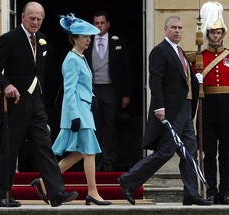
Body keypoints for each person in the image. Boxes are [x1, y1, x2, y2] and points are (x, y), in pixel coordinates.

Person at [0, 1, 78, 208]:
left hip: (37, 103)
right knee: (10, 149)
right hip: (16, 101)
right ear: (22, 17)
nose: (35, 22)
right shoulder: (9, 39)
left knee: (45, 147)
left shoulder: (43, 40)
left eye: (39, 19)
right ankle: (4, 195)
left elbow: (40, 73)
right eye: (32, 18)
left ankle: (56, 193)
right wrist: (6, 85)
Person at [118, 16, 211, 206]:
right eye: (174, 27)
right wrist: (159, 106)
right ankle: (129, 180)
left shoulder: (180, 52)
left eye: (180, 28)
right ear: (165, 29)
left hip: (186, 109)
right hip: (172, 110)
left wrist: (195, 78)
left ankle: (191, 193)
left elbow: (183, 80)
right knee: (166, 151)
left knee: (190, 153)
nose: (177, 31)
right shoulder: (160, 51)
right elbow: (156, 80)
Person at [31, 14, 112, 206]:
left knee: (80, 153)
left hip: (84, 110)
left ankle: (43, 183)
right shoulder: (71, 59)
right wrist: (75, 116)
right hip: (79, 113)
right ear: (75, 37)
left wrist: (92, 98)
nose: (88, 39)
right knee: (89, 151)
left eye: (89, 37)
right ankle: (92, 192)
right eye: (85, 36)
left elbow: (84, 86)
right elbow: (69, 89)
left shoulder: (80, 57)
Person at [192, 1, 229, 205]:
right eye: (212, 33)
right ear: (207, 35)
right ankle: (211, 192)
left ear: (223, 34)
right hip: (207, 109)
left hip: (227, 110)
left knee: (226, 154)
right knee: (208, 155)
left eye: (218, 33)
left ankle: (225, 193)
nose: (215, 36)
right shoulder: (198, 58)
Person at [84, 11, 133, 172]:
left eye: (102, 23)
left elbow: (127, 70)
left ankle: (109, 165)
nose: (99, 26)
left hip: (112, 90)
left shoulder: (119, 42)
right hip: (93, 90)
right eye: (96, 23)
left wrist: (126, 94)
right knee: (95, 127)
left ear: (108, 24)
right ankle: (96, 166)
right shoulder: (86, 42)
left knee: (111, 128)